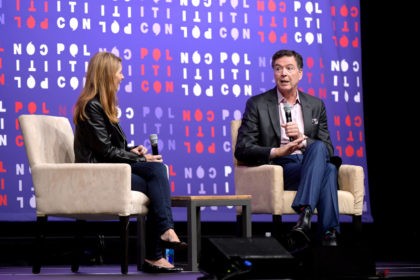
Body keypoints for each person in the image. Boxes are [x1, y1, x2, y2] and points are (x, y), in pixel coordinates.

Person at [73, 51, 186, 273]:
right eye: (119, 72)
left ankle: (156, 253)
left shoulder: (102, 106)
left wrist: (131, 150)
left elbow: (107, 146)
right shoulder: (91, 107)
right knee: (155, 172)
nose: (122, 77)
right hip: (99, 175)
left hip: (111, 169)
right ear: (106, 75)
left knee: (155, 178)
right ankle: (160, 243)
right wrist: (140, 157)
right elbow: (105, 151)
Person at [234, 49, 341, 249]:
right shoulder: (257, 104)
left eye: (289, 68)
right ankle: (328, 236)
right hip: (281, 168)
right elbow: (242, 149)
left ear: (300, 73)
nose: (283, 73)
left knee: (321, 153)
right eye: (278, 69)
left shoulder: (316, 105)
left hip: (310, 162)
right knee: (328, 170)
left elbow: (328, 149)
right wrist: (277, 152)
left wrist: (302, 140)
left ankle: (307, 217)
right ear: (273, 73)